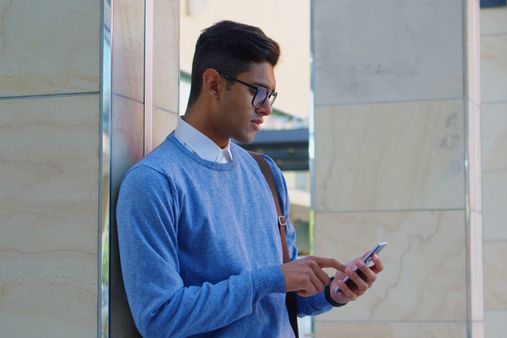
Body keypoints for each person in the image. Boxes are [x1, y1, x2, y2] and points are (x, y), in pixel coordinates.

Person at [116, 20, 384, 337]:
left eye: (271, 94)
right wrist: (267, 279)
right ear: (214, 84)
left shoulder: (265, 172)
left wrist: (331, 292)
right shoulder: (154, 182)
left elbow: (279, 299)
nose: (267, 107)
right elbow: (159, 319)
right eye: (257, 92)